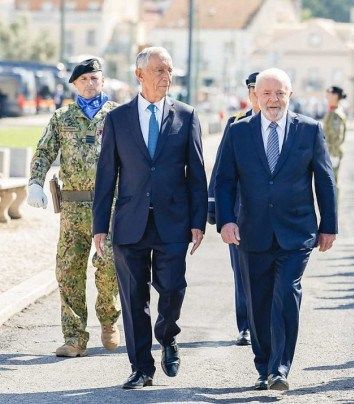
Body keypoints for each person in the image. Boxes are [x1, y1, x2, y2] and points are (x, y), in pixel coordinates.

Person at [215, 68, 337, 391]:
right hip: (250, 232)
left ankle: (280, 367)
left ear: (289, 95)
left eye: (280, 93)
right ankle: (264, 365)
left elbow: (325, 179)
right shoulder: (238, 131)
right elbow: (224, 180)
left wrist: (329, 225)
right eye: (266, 94)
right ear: (255, 96)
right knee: (258, 301)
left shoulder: (309, 130)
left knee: (286, 294)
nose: (273, 100)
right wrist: (225, 220)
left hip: (296, 232)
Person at [92, 47, 207, 389]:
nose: (166, 77)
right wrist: (100, 226)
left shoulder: (187, 116)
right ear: (139, 74)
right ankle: (142, 367)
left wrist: (199, 221)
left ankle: (167, 334)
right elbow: (106, 175)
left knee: (173, 287)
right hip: (130, 222)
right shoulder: (118, 119)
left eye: (169, 70)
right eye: (159, 70)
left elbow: (197, 174)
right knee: (133, 298)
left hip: (173, 221)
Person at [26, 58, 120, 357]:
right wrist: (35, 183)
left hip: (109, 207)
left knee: (108, 268)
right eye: (84, 80)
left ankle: (108, 320)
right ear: (75, 85)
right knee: (68, 271)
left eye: (95, 78)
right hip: (73, 207)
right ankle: (75, 337)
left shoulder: (118, 115)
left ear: (102, 81)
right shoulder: (62, 118)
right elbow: (44, 151)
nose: (90, 84)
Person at [208, 72, 260, 346]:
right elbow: (220, 169)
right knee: (242, 271)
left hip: (271, 212)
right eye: (253, 90)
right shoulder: (236, 123)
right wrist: (214, 205)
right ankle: (246, 326)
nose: (258, 95)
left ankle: (265, 322)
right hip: (240, 211)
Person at [323, 86, 347, 181]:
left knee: (331, 184)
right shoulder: (333, 111)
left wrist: (331, 154)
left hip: (332, 153)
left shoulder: (336, 114)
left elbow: (337, 137)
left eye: (328, 96)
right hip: (331, 153)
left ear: (335, 96)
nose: (327, 98)